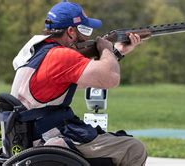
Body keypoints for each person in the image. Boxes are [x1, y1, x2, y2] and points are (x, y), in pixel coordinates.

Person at [10, 1, 147, 166]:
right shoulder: (61, 56)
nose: (88, 37)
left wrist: (117, 51)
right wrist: (105, 49)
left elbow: (86, 78)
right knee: (134, 148)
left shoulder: (35, 51)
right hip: (51, 140)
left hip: (33, 136)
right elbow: (111, 78)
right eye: (85, 30)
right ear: (70, 31)